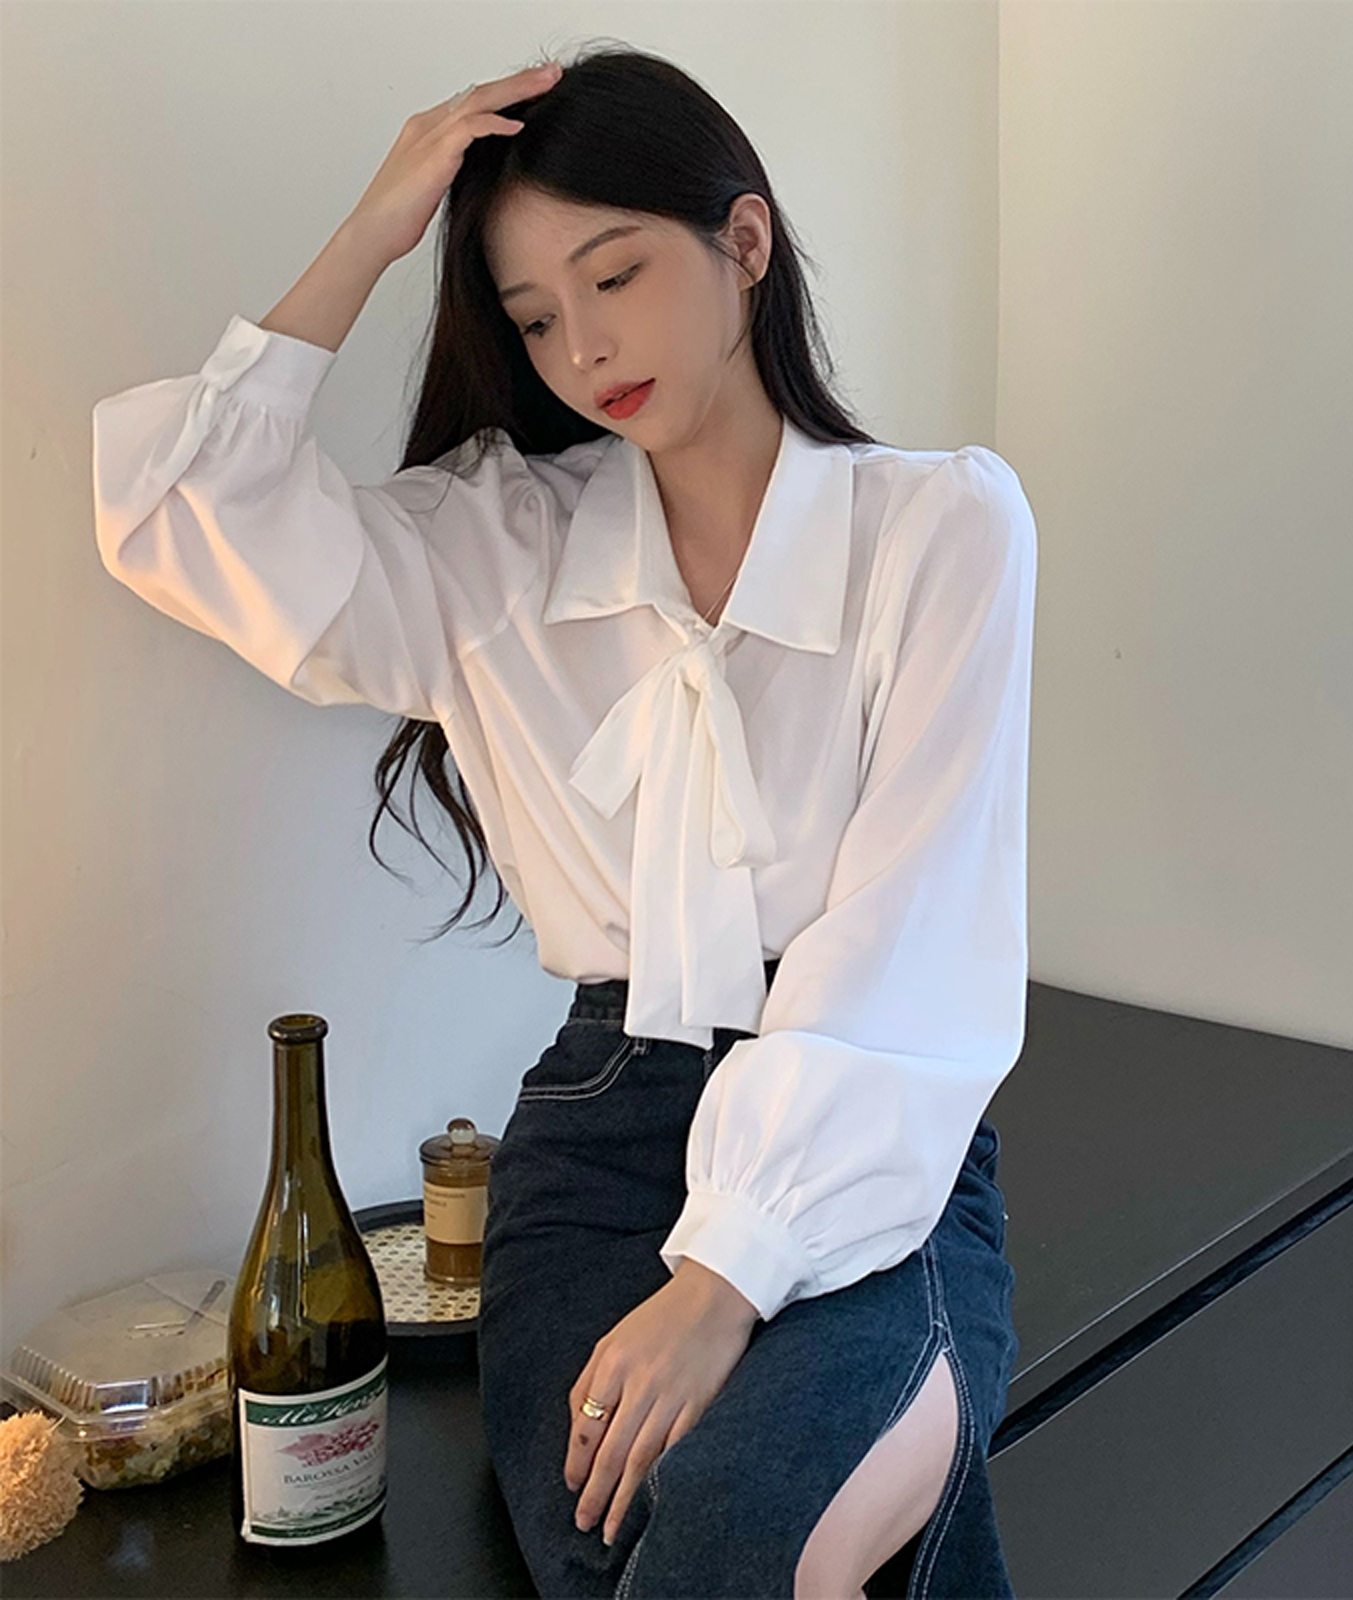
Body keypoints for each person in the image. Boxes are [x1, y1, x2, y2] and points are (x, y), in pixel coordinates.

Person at [90, 43, 1036, 1600]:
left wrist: (722, 1281)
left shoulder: (939, 531)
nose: (582, 347)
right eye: (533, 316)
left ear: (745, 243)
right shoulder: (496, 550)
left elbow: (909, 950)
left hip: (872, 1132)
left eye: (615, 275)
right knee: (617, 1567)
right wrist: (377, 226)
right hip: (602, 1137)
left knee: (736, 1539)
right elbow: (180, 519)